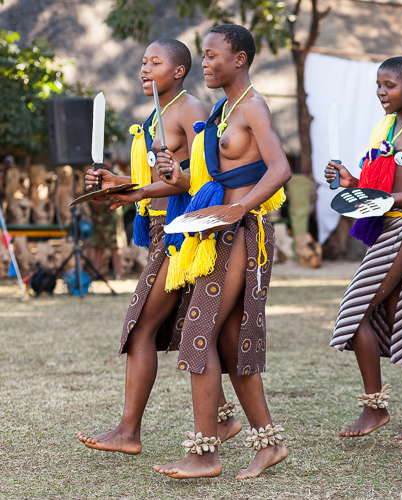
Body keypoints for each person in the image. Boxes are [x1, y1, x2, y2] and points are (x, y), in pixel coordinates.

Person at [77, 39, 240, 455]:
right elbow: (160, 176)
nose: (145, 68)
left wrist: (143, 191)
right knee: (183, 323)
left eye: (156, 62)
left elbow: (202, 181)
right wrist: (118, 182)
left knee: (142, 327)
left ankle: (129, 432)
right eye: (143, 61)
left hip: (182, 233)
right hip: (157, 227)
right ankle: (224, 421)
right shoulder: (156, 114)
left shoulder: (191, 110)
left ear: (179, 70)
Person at [152, 24, 291, 479]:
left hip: (242, 232)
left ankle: (204, 454)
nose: (205, 63)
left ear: (240, 59)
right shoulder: (220, 109)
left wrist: (240, 211)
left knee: (197, 336)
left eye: (213, 56)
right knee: (226, 341)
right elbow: (209, 177)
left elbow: (280, 168)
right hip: (215, 232)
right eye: (204, 56)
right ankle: (268, 444)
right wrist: (175, 173)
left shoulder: (252, 106)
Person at [324, 56, 402, 440]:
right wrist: (352, 182)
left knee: (357, 309)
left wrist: (388, 200)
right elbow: (379, 184)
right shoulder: (388, 126)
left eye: (389, 85)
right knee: (400, 319)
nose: (382, 92)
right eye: (378, 85)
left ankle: (374, 408)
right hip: (387, 228)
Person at [89, 152, 126, 279]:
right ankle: (96, 274)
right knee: (98, 246)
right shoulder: (95, 175)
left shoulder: (118, 175)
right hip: (99, 218)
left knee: (116, 246)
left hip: (112, 217)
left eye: (105, 160)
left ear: (110, 161)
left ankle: (117, 274)